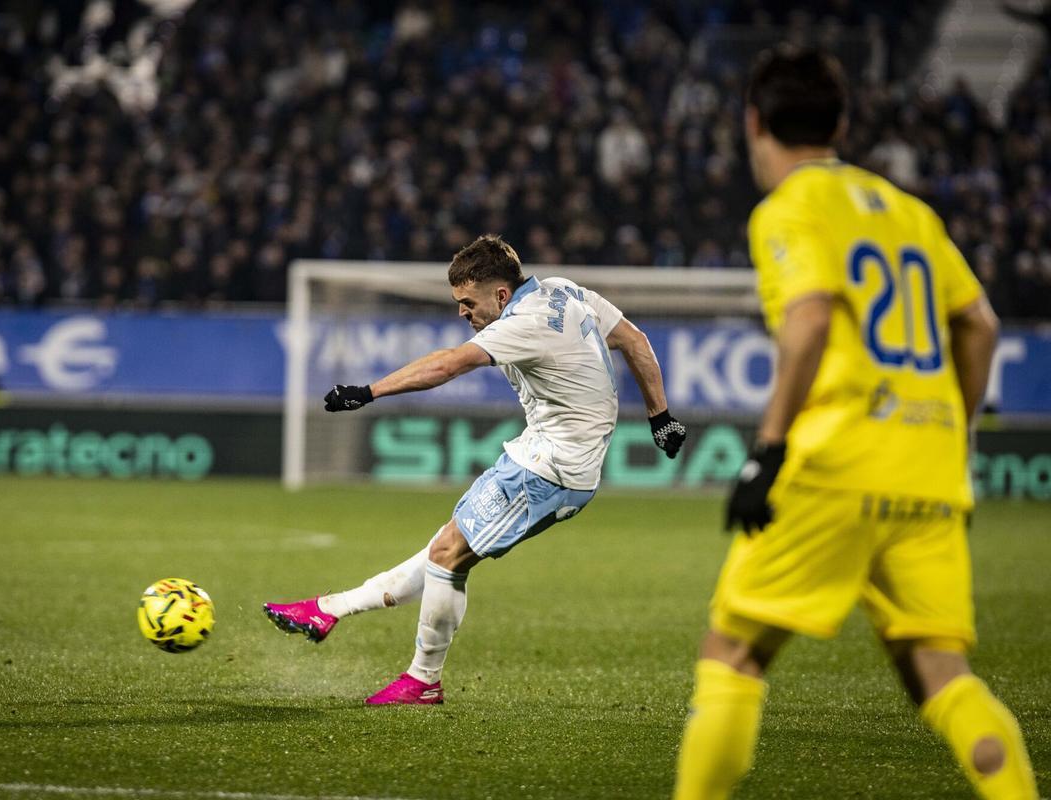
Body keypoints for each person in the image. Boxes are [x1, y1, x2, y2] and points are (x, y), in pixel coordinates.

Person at [672, 47, 1039, 800]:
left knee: (734, 654)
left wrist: (765, 453)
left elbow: (808, 321)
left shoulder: (790, 209)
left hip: (837, 458)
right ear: (841, 123)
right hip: (928, 469)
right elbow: (980, 325)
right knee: (939, 669)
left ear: (752, 123)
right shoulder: (910, 212)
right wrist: (954, 430)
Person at [264, 234, 688, 704]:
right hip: (546, 458)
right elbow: (634, 339)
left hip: (550, 468)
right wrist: (660, 418)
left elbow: (448, 365)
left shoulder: (522, 322)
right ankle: (328, 609)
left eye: (468, 302)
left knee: (447, 555)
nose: (462, 312)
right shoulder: (567, 292)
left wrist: (368, 391)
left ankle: (423, 680)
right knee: (446, 547)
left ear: (501, 294)